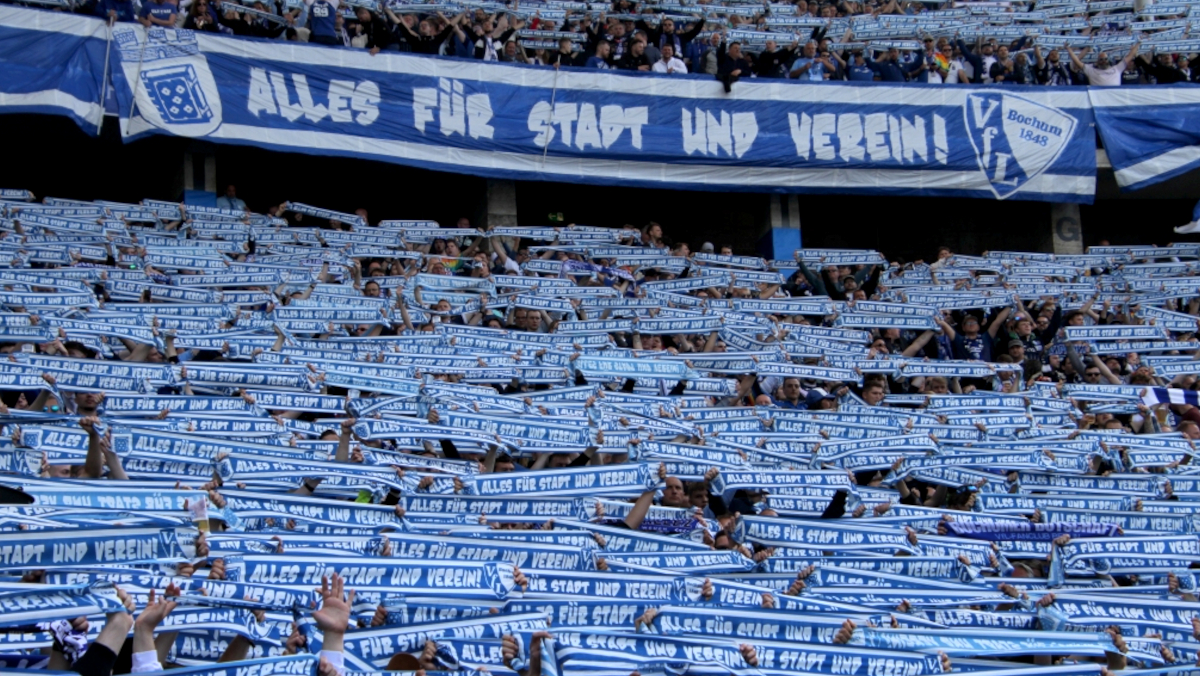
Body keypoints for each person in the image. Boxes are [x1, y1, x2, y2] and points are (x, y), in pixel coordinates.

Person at [1067, 43, 1140, 86]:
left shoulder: (1117, 68)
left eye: (1105, 59)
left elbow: (1130, 55)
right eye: (1101, 59)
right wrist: (1068, 49)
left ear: (1108, 60)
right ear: (1098, 61)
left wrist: (1138, 43)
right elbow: (1076, 61)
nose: (1103, 61)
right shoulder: (1091, 71)